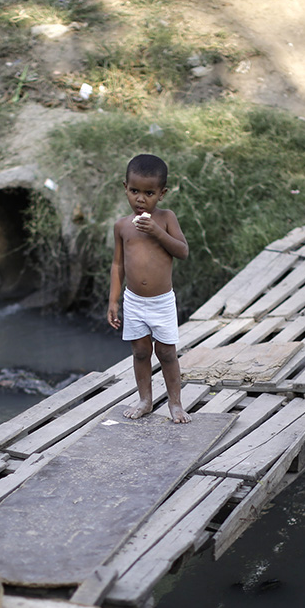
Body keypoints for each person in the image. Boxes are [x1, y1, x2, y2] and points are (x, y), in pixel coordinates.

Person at [107, 153, 191, 423]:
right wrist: (113, 301)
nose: (140, 199)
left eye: (149, 193)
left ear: (162, 194)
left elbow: (182, 251)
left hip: (161, 301)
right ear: (125, 188)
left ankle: (175, 404)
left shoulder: (166, 219)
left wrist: (157, 231)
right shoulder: (122, 226)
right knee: (141, 351)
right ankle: (145, 399)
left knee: (166, 352)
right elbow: (118, 265)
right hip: (134, 302)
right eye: (134, 191)